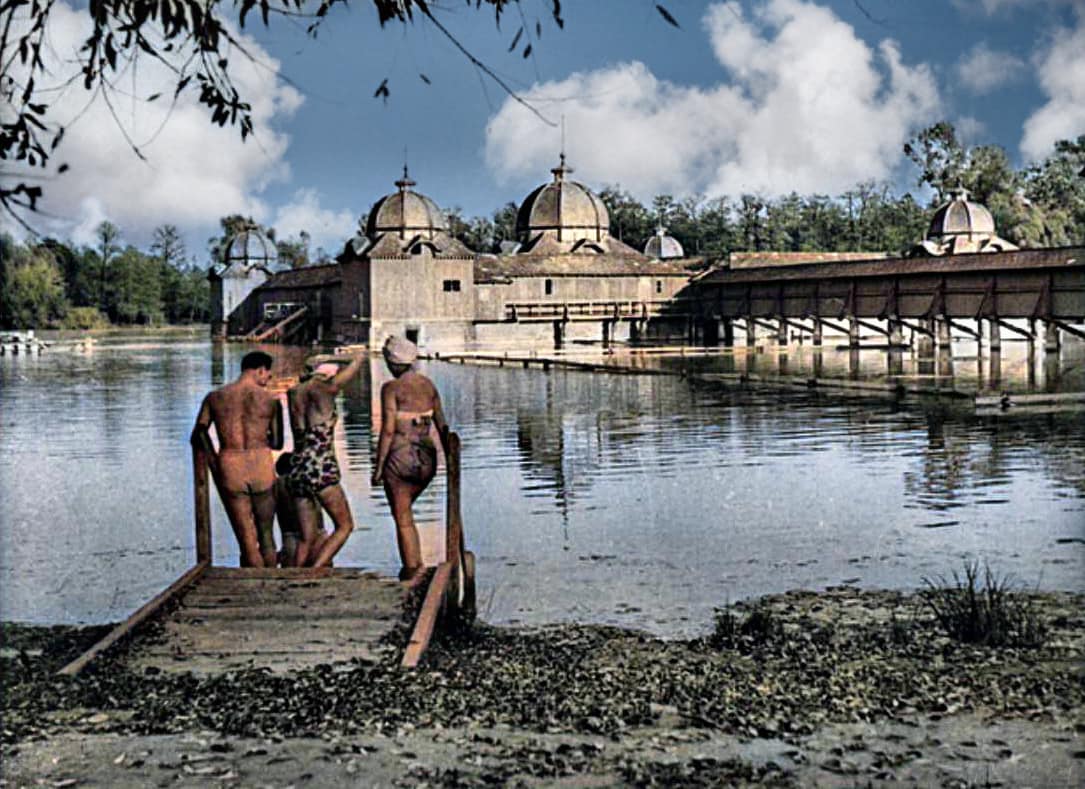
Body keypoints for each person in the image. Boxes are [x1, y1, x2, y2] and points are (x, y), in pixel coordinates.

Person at [190, 350, 283, 567]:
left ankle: (252, 588)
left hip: (230, 465)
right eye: (267, 377)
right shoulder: (270, 400)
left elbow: (199, 433)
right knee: (266, 536)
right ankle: (271, 584)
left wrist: (213, 460)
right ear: (261, 370)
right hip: (260, 464)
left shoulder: (215, 397)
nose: (267, 382)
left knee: (247, 541)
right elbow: (277, 442)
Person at [371, 335, 448, 581]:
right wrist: (450, 461)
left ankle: (413, 573)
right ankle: (418, 569)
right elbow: (443, 426)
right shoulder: (428, 386)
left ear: (393, 362)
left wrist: (378, 467)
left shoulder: (391, 389)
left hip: (400, 458)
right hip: (427, 460)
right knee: (407, 512)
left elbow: (388, 430)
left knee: (402, 517)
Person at [285, 354, 365, 568]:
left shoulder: (293, 392)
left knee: (306, 537)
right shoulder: (325, 389)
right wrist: (351, 355)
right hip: (321, 465)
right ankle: (316, 569)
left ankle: (295, 578)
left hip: (297, 466)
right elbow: (355, 365)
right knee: (345, 526)